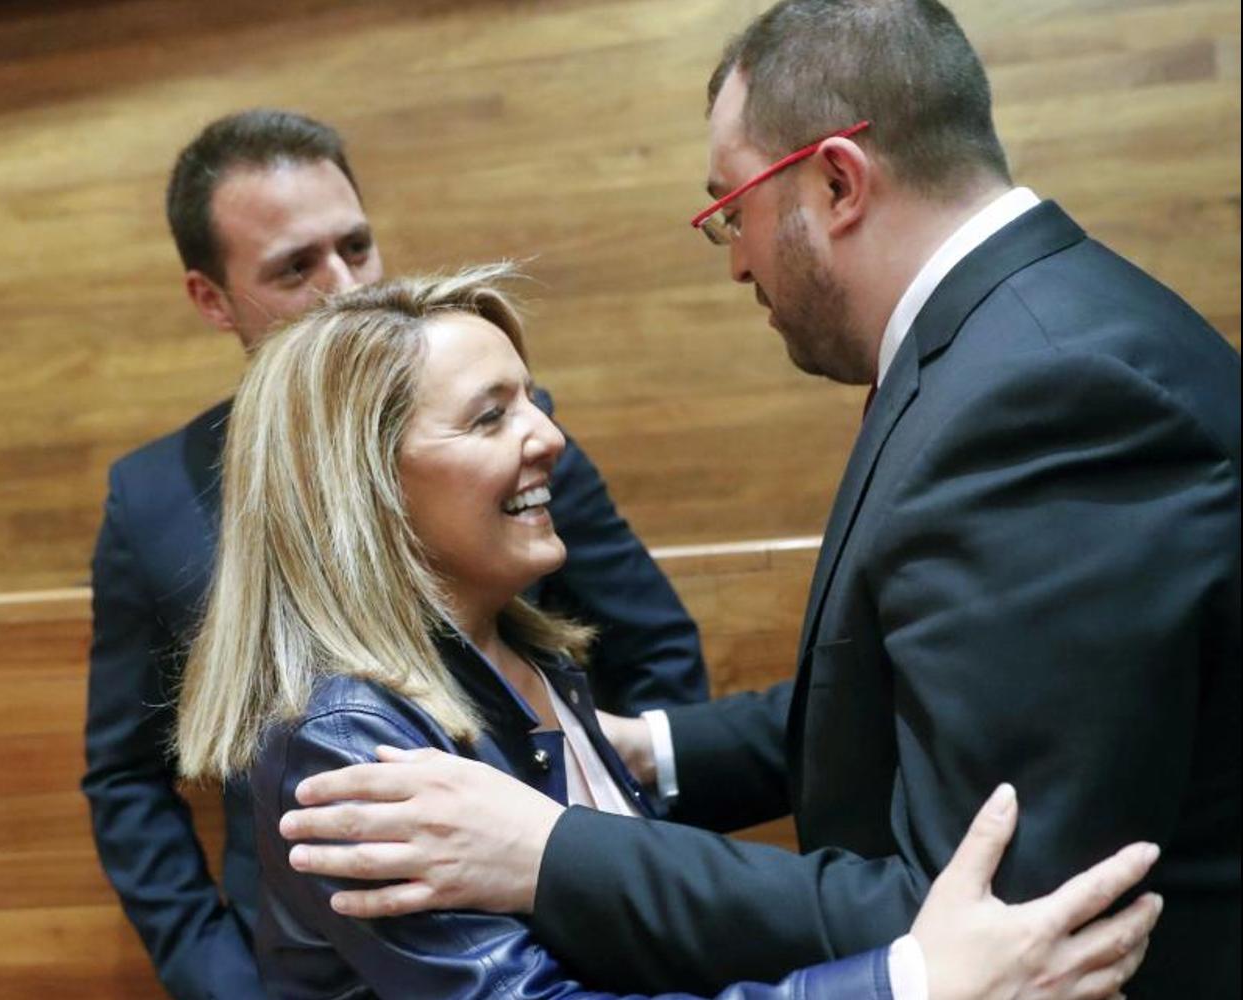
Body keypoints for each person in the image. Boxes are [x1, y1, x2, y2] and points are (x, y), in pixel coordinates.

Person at [276, 2, 1241, 998]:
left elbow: (994, 919)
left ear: (836, 179)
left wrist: (549, 849)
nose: (736, 255)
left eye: (731, 209)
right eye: (487, 417)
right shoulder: (1029, 343)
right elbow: (929, 694)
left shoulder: (1045, 393)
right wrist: (649, 751)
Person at [177, 267, 1160, 1000]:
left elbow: (628, 918)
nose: (549, 436)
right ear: (368, 488)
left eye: (534, 398)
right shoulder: (344, 736)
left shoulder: (527, 649)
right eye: (488, 417)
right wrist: (907, 983)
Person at [80, 109, 707, 1000]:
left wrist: (654, 885)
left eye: (357, 247)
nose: (343, 285)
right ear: (210, 297)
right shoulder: (152, 501)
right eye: (296, 266)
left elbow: (653, 651)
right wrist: (219, 979)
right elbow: (127, 774)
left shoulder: (508, 435)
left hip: (557, 918)